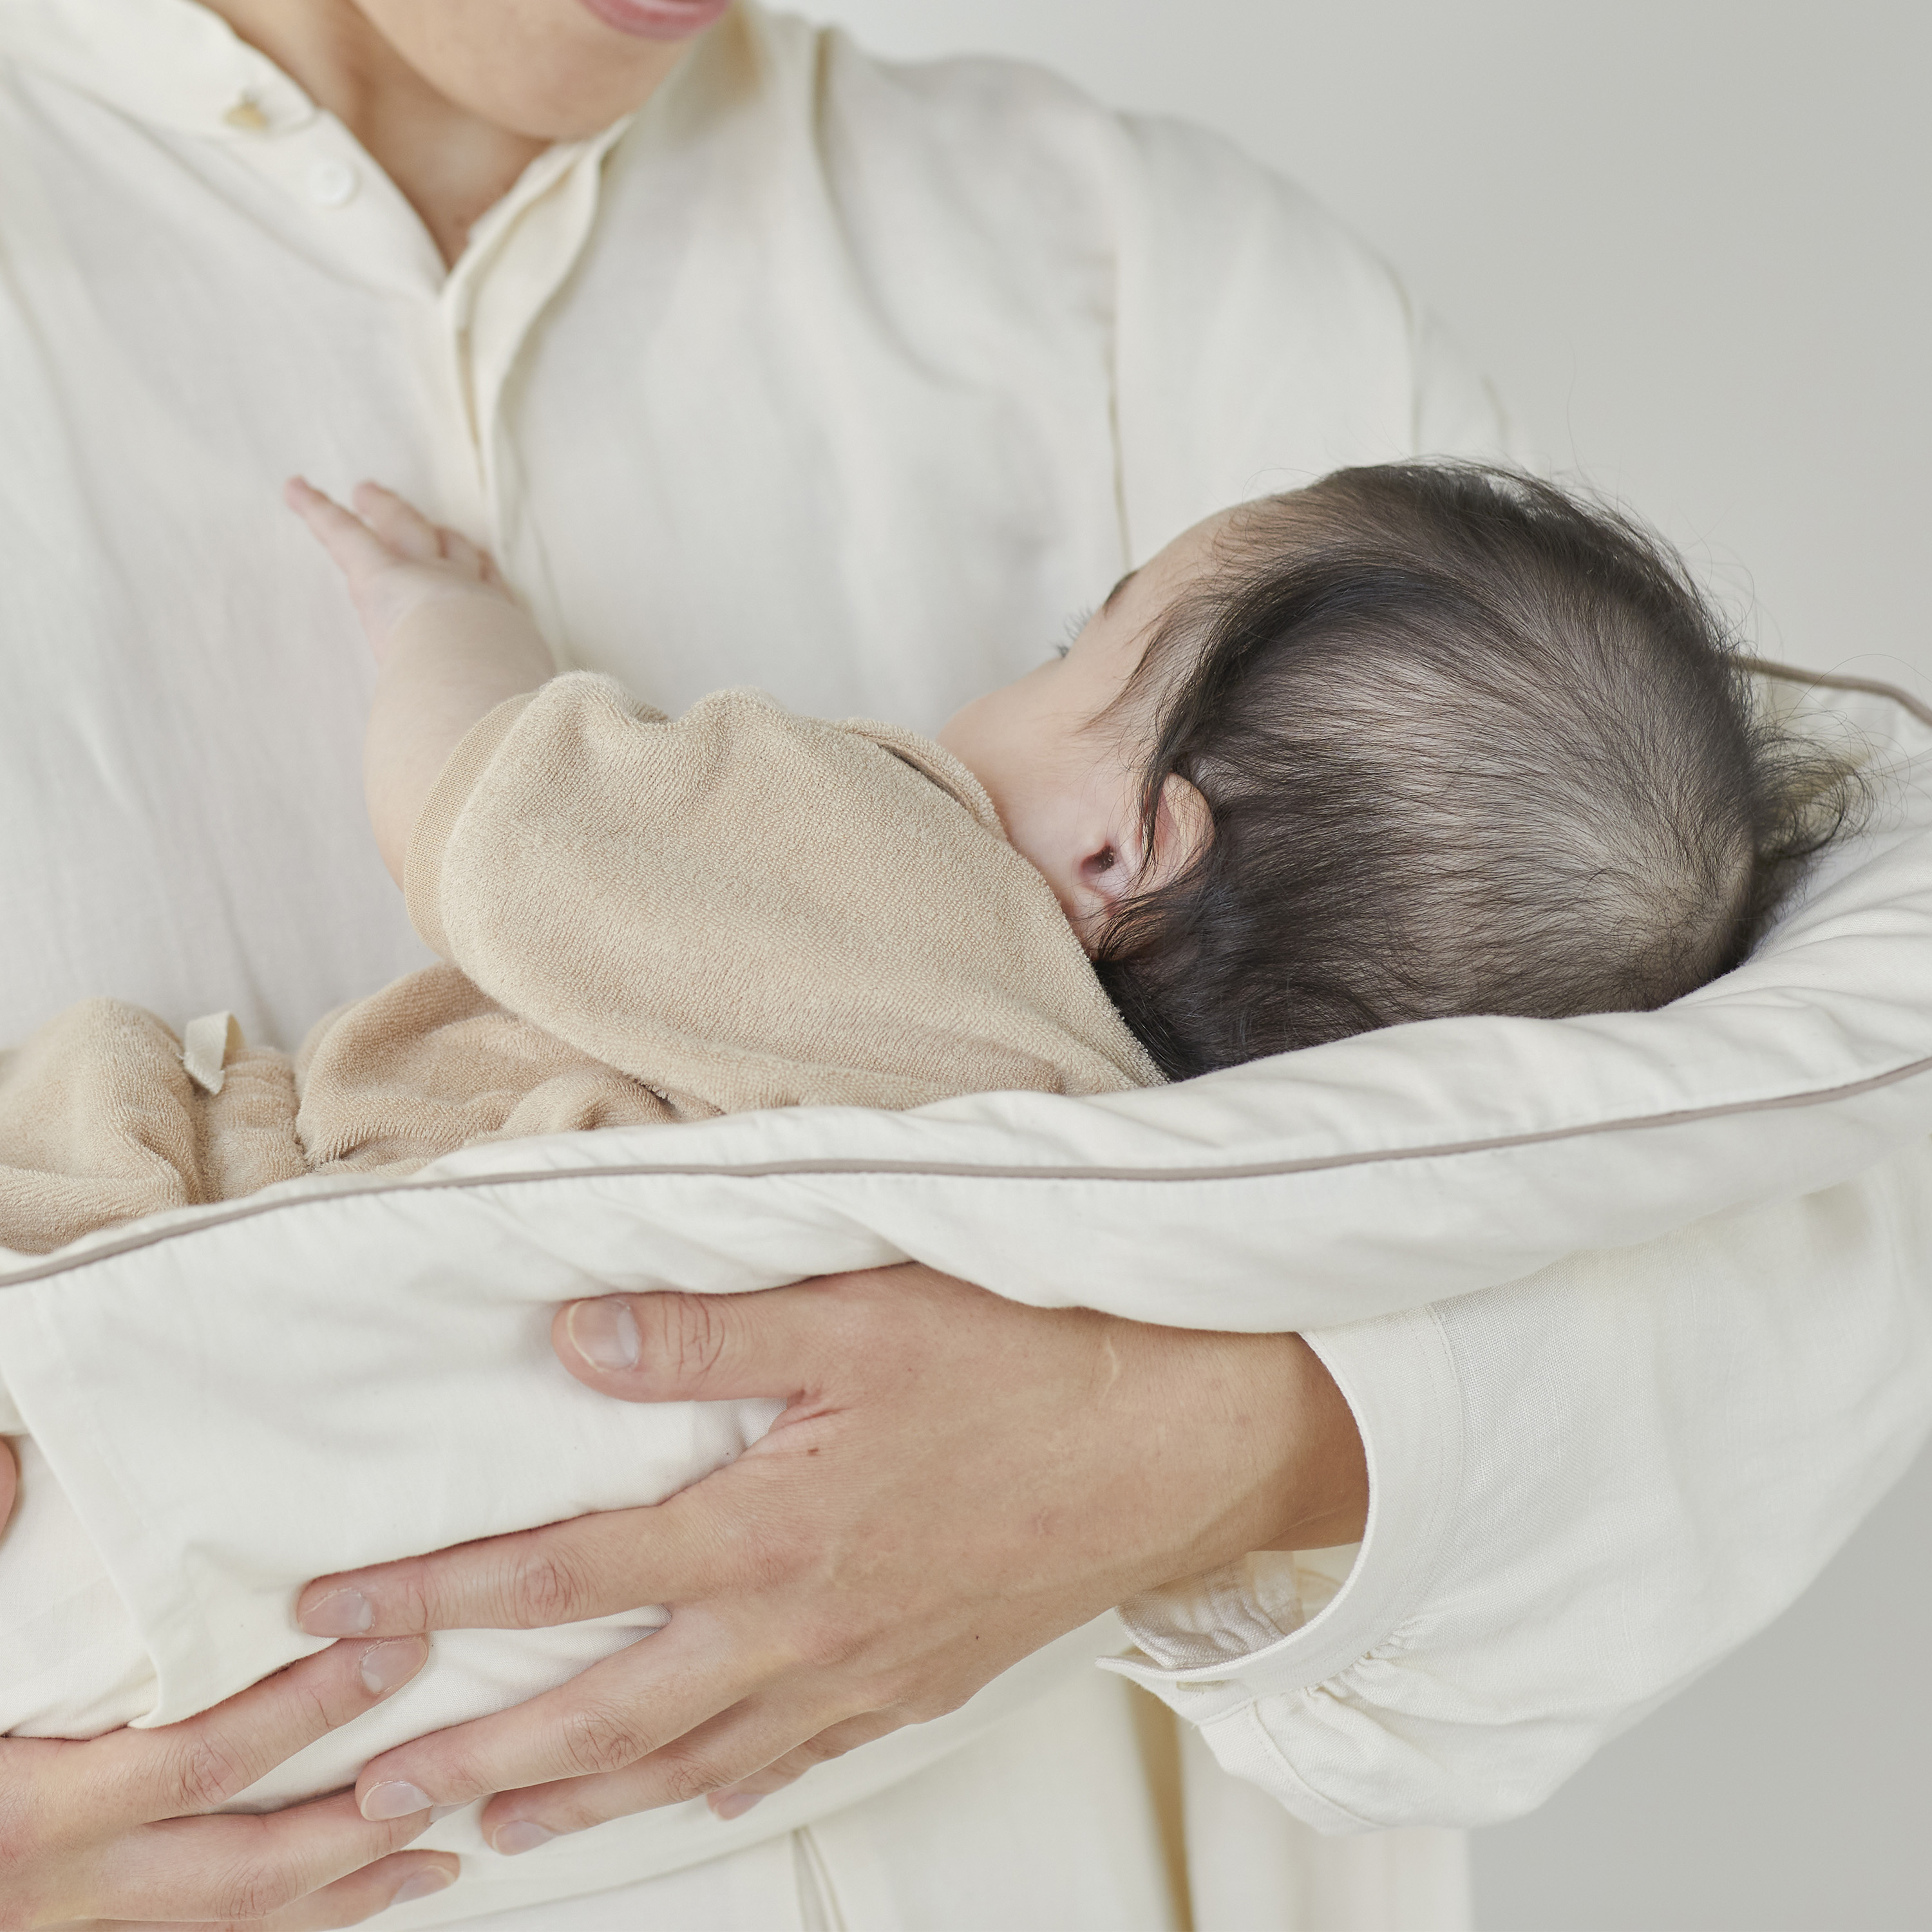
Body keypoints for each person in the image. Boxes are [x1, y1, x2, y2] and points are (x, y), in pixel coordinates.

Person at [2, 3, 1926, 1928]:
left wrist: (1214, 1444)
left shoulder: (1141, 273)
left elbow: (1805, 1184)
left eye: (1090, 644)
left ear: (1123, 854)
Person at [0, 460, 1837, 1260]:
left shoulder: (898, 887)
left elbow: (490, 818)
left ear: (1123, 844)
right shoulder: (1122, 1173)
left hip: (207, 1217)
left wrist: (443, 622)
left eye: (1076, 645)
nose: (1013, 678)